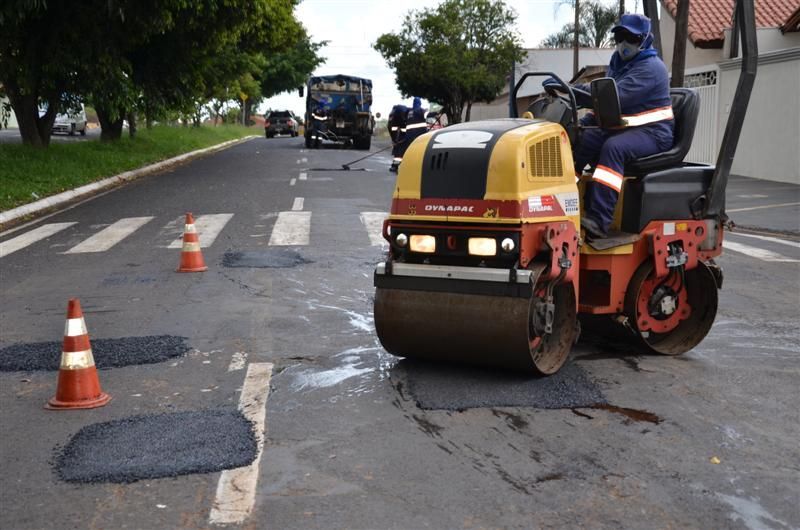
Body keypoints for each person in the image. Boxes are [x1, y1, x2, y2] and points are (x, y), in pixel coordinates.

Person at [548, 14, 674, 240]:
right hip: (625, 127)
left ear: (644, 40)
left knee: (613, 148)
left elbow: (614, 97)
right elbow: (600, 89)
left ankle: (599, 220)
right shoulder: (619, 63)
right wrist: (571, 92)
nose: (623, 43)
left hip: (653, 133)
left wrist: (570, 90)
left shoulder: (651, 69)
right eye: (619, 36)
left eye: (630, 38)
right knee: (580, 138)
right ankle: (557, 203)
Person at [388, 104, 408, 172]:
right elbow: (391, 128)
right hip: (402, 132)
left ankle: (396, 166)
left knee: (400, 148)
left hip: (404, 132)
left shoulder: (395, 115)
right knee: (400, 148)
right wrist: (394, 140)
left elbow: (391, 128)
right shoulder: (393, 117)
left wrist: (395, 140)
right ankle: (396, 165)